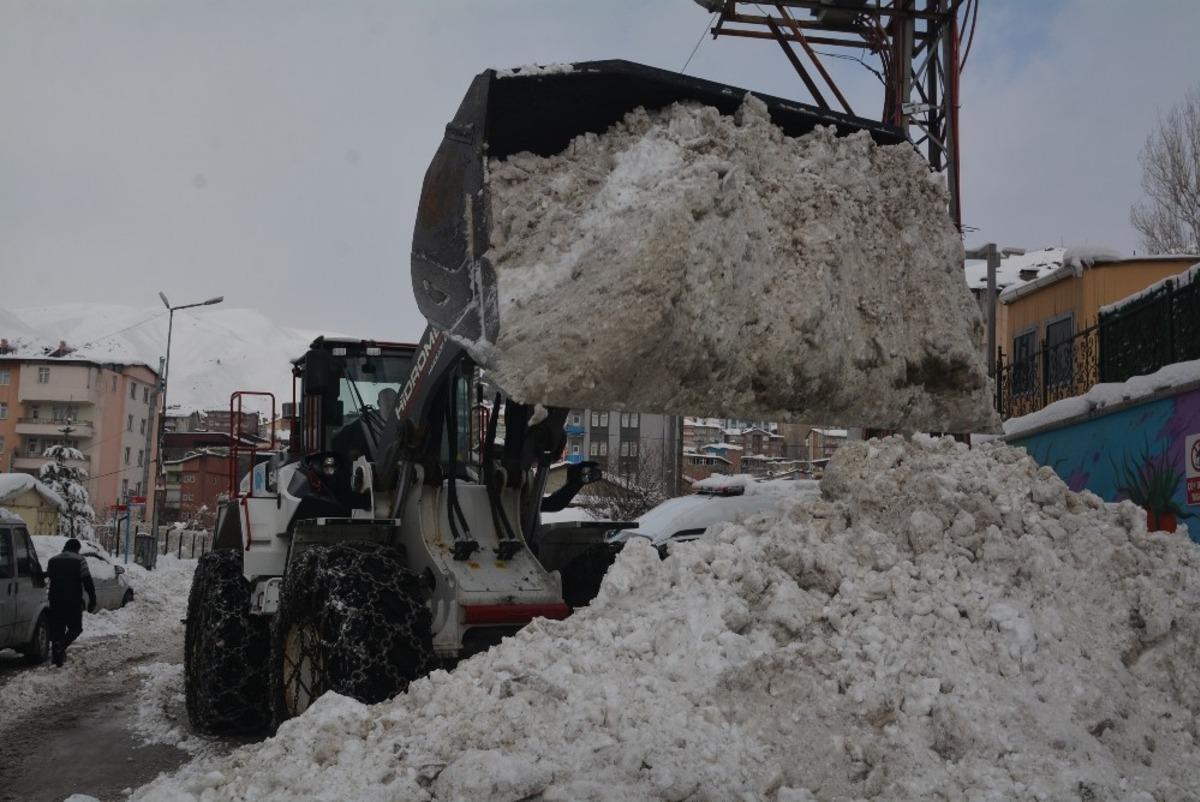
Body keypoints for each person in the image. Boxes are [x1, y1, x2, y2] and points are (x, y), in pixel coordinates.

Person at [46, 538, 97, 667]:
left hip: (55, 600)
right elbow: (87, 581)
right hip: (72, 600)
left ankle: (56, 659)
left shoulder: (53, 560)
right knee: (76, 628)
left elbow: (49, 578)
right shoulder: (80, 560)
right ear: (77, 549)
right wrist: (92, 599)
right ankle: (61, 646)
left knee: (58, 628)